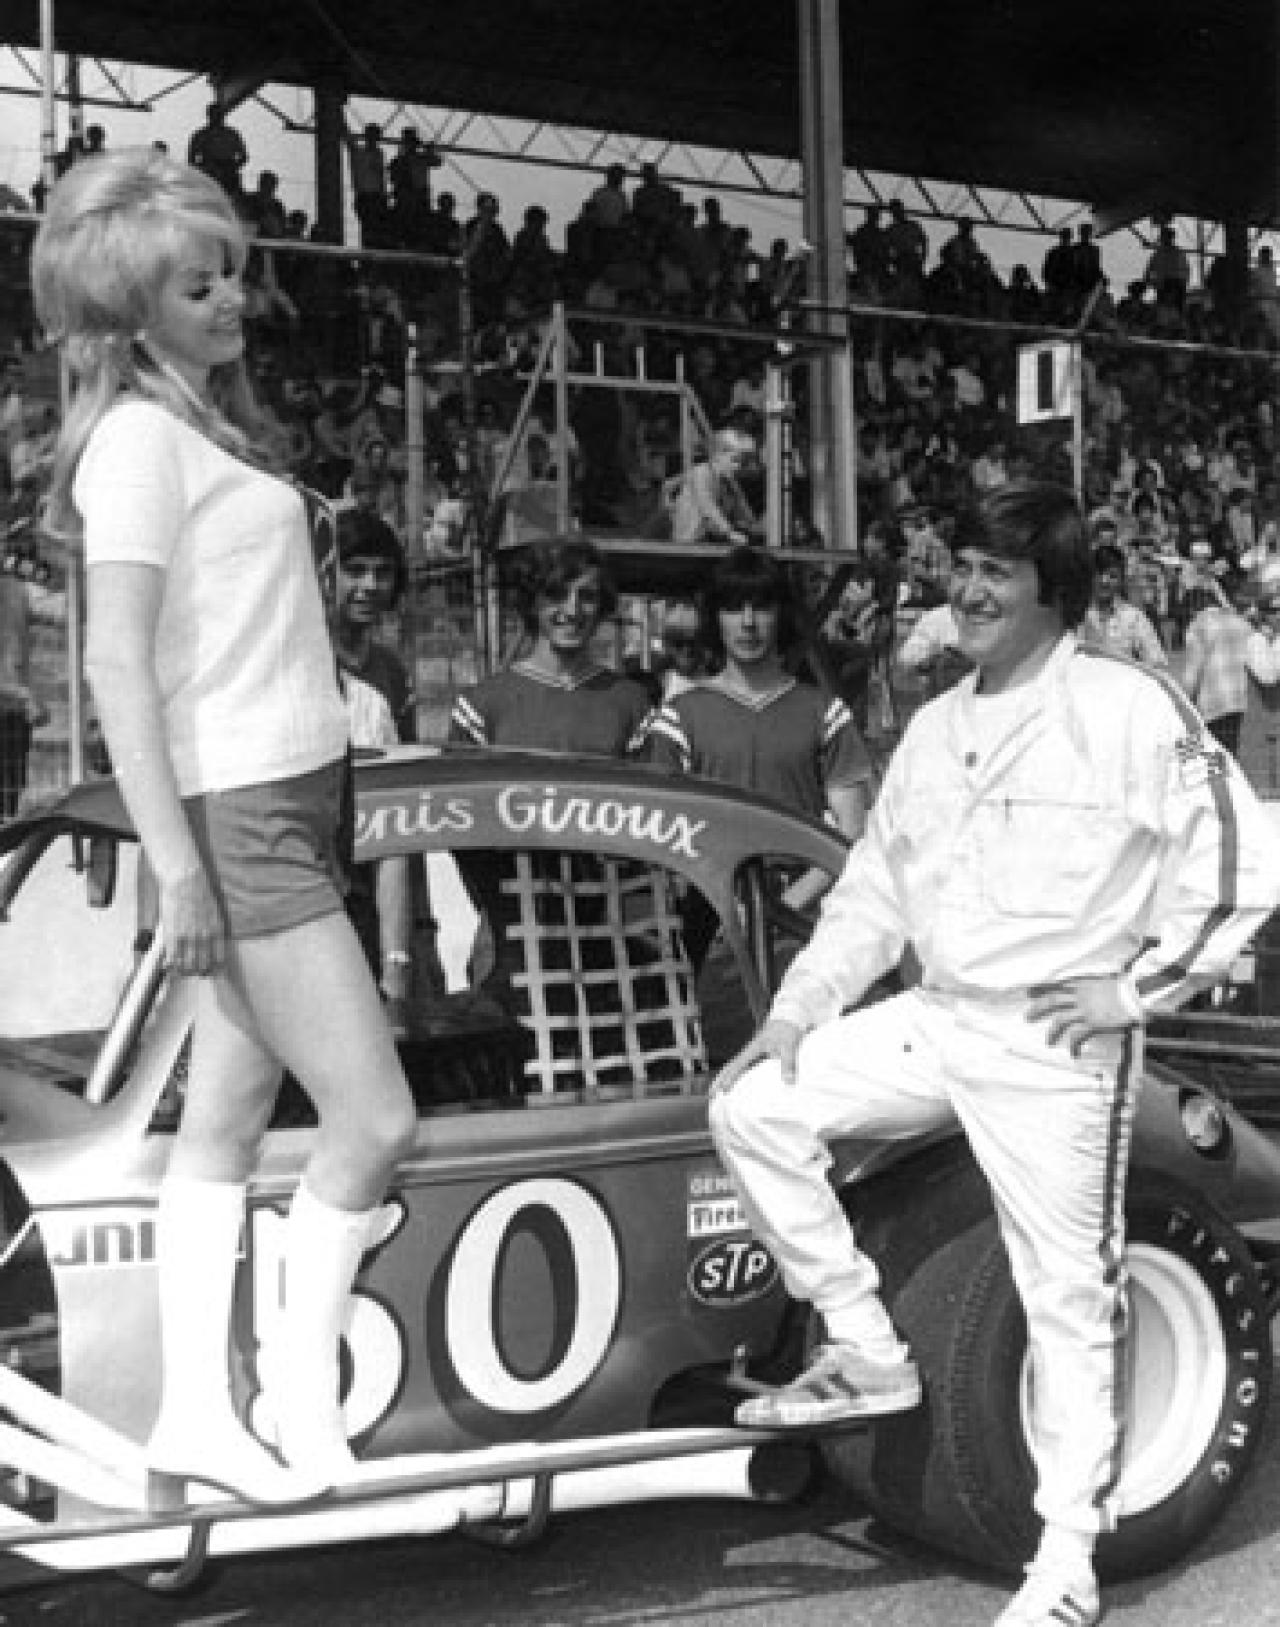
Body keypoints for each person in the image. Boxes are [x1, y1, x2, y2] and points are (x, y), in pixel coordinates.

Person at [707, 483, 1280, 1627]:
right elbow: (871, 892)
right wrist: (795, 1012)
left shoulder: (1125, 704)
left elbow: (1241, 867)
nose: (965, 591)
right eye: (961, 567)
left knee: (1064, 1295)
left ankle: (1065, 1563)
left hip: (1053, 1043)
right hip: (938, 1015)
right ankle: (865, 1342)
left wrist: (1132, 990)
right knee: (752, 1105)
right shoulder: (932, 727)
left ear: (1050, 590)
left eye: (993, 573)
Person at [31, 147, 417, 1507]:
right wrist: (178, 866)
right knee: (374, 1116)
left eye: (233, 274)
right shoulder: (139, 441)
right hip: (243, 811)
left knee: (231, 1116)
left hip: (294, 792)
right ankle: (299, 1406)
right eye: (200, 287)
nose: (233, 299)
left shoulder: (203, 428)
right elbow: (113, 667)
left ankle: (199, 1413)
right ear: (132, 311)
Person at [647, 547, 873, 844]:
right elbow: (663, 828)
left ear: (781, 615)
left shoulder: (826, 714)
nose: (748, 622)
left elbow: (851, 834)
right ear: (715, 618)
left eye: (762, 607)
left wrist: (806, 880)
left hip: (803, 870)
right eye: (733, 608)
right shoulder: (679, 717)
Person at [328, 510, 424, 1031]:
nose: (368, 585)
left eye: (381, 572)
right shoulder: (299, 659)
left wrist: (407, 946)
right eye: (355, 570)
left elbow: (402, 804)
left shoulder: (390, 673)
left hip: (374, 889)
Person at [449, 535, 651, 755]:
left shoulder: (632, 704)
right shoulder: (481, 705)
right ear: (532, 604)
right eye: (556, 594)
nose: (572, 610)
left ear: (602, 606)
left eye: (587, 596)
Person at [0, 569, 47, 819]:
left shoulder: (16, 590)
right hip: (16, 701)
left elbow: (65, 608)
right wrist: (26, 695)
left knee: (12, 791)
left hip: (13, 714)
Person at [1077, 542, 1167, 666]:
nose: (1104, 581)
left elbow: (1156, 663)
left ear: (1121, 580)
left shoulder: (1133, 618)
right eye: (1099, 574)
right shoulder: (1077, 616)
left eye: (1112, 576)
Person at [669, 427, 761, 545]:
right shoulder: (701, 473)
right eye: (734, 460)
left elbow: (738, 509)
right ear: (718, 455)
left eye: (741, 462)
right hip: (690, 541)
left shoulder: (725, 481)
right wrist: (729, 532)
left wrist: (751, 526)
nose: (737, 466)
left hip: (708, 537)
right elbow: (708, 507)